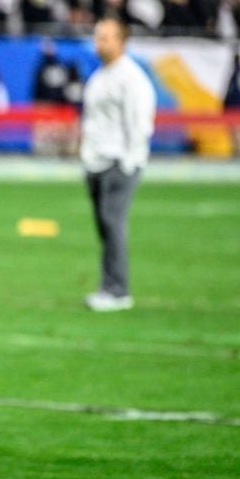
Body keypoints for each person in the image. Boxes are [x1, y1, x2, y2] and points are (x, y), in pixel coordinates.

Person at [79, 17, 155, 312]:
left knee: (113, 225)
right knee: (105, 229)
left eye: (105, 38)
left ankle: (118, 290)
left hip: (118, 162)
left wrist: (128, 161)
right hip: (96, 161)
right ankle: (108, 285)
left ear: (121, 41)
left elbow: (139, 123)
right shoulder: (99, 76)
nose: (99, 43)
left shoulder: (132, 78)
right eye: (97, 37)